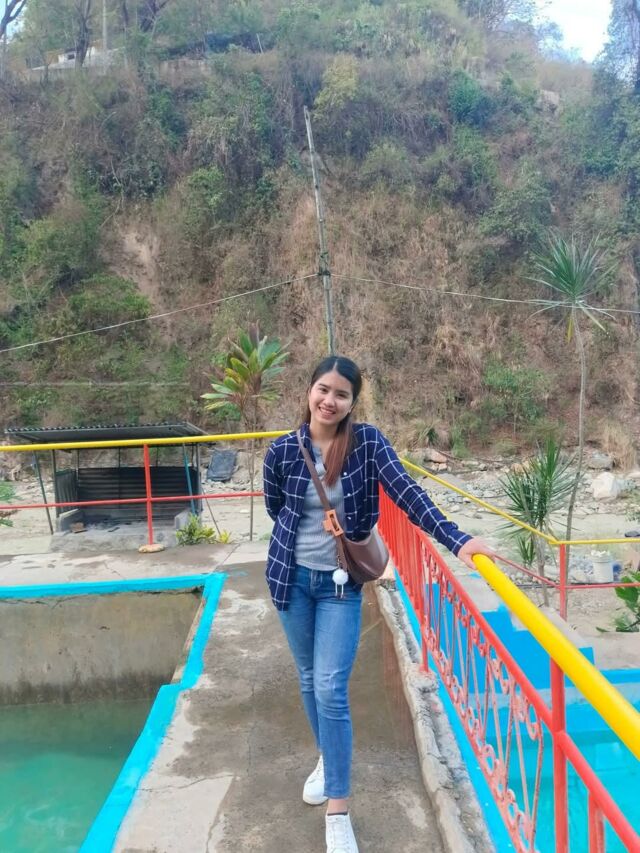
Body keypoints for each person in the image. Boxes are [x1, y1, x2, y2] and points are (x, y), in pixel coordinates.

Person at [263, 356, 494, 853]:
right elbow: (276, 509)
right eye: (323, 389)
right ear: (309, 391)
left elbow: (407, 493)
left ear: (352, 402)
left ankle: (338, 811)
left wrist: (457, 540)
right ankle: (328, 759)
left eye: (341, 394)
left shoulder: (367, 443)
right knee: (308, 677)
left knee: (330, 687)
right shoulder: (281, 450)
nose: (329, 401)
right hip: (290, 581)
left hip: (341, 584)